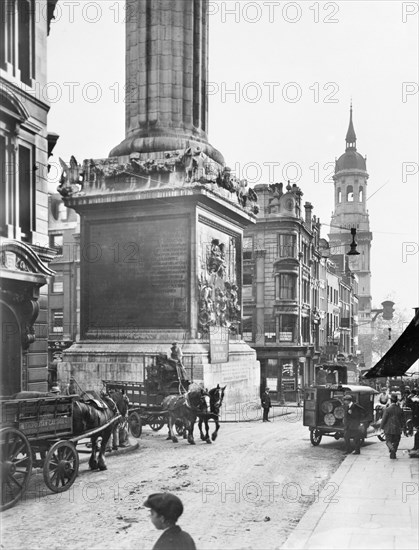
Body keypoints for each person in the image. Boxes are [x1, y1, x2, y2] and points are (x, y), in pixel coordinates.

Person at [381, 392, 405, 459]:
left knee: (388, 441)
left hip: (388, 428)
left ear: (391, 400)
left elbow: (384, 419)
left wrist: (381, 427)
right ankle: (393, 452)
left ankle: (392, 449)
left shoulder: (387, 409)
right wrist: (403, 427)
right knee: (396, 441)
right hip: (397, 428)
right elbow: (403, 420)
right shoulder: (400, 409)